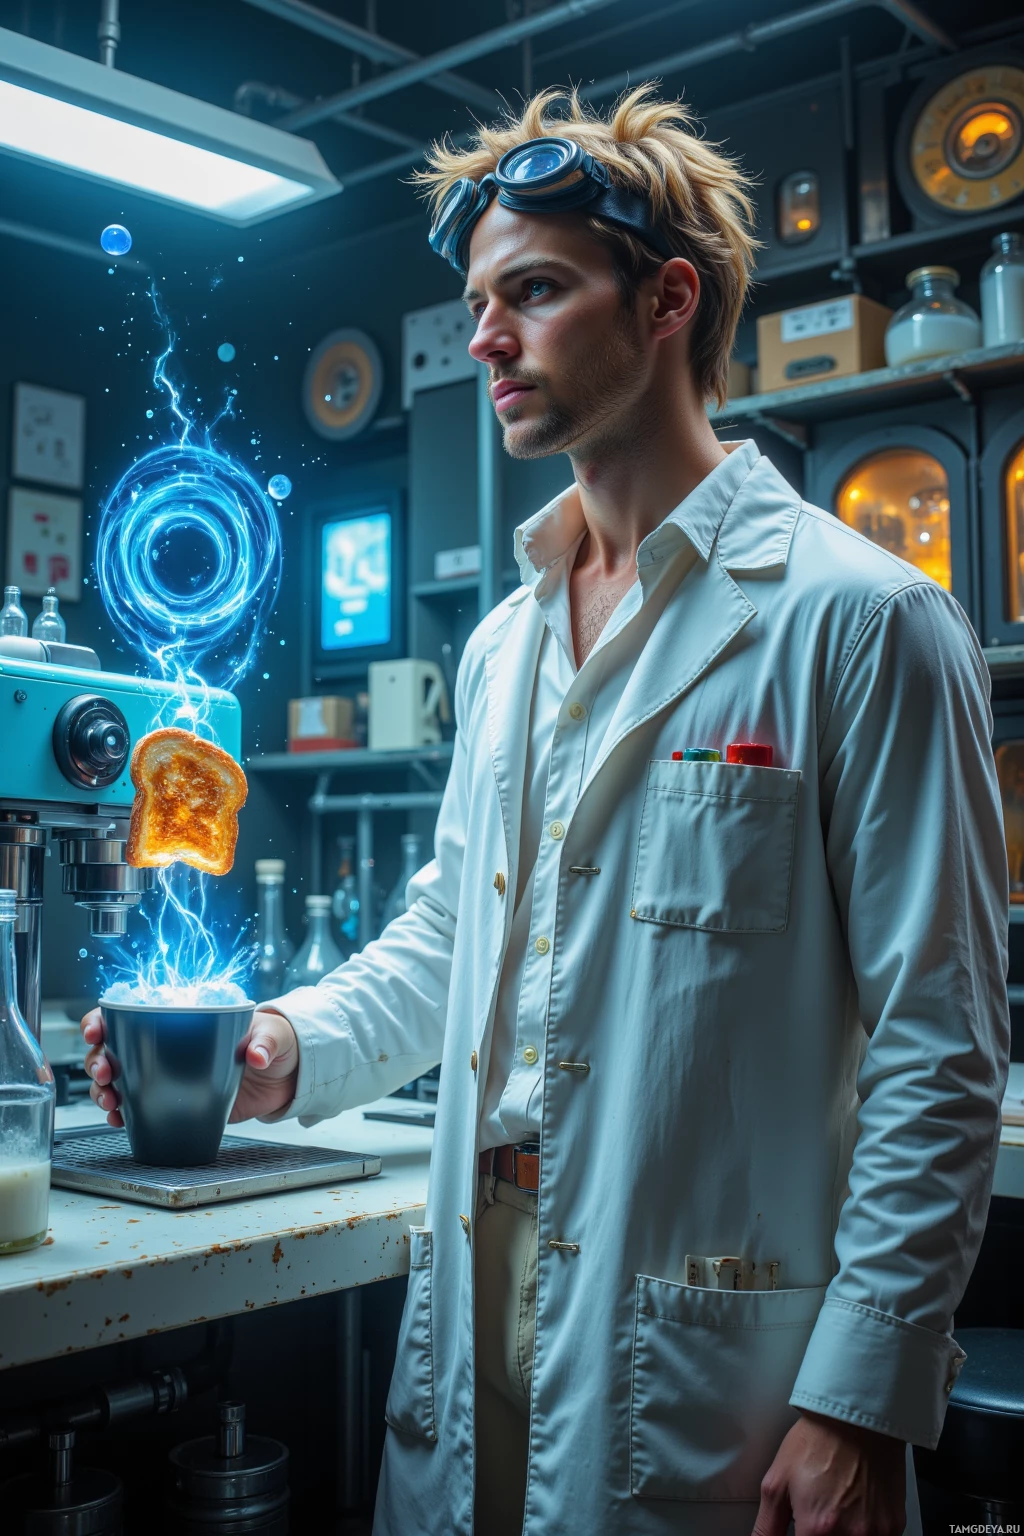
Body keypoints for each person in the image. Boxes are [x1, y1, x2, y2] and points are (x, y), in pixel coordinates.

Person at [82, 86, 1010, 1536]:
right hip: (484, 1281)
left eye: (535, 291)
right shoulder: (508, 643)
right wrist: (284, 1048)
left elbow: (941, 1047)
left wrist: (859, 1395)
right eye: (477, 301)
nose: (486, 339)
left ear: (668, 301)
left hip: (708, 1338)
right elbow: (456, 932)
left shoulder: (863, 622)